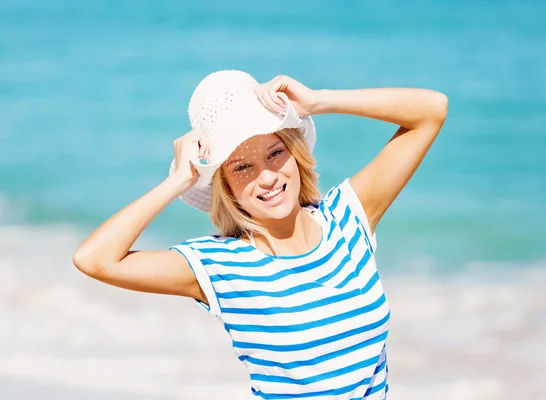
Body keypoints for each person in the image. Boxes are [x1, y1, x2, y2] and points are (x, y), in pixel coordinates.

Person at [73, 70, 448, 399]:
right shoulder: (220, 266)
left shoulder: (347, 218)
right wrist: (179, 181)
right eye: (242, 167)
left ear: (295, 152)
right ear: (226, 188)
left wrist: (318, 101)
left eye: (274, 153)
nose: (266, 177)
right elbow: (94, 259)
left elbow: (431, 111)